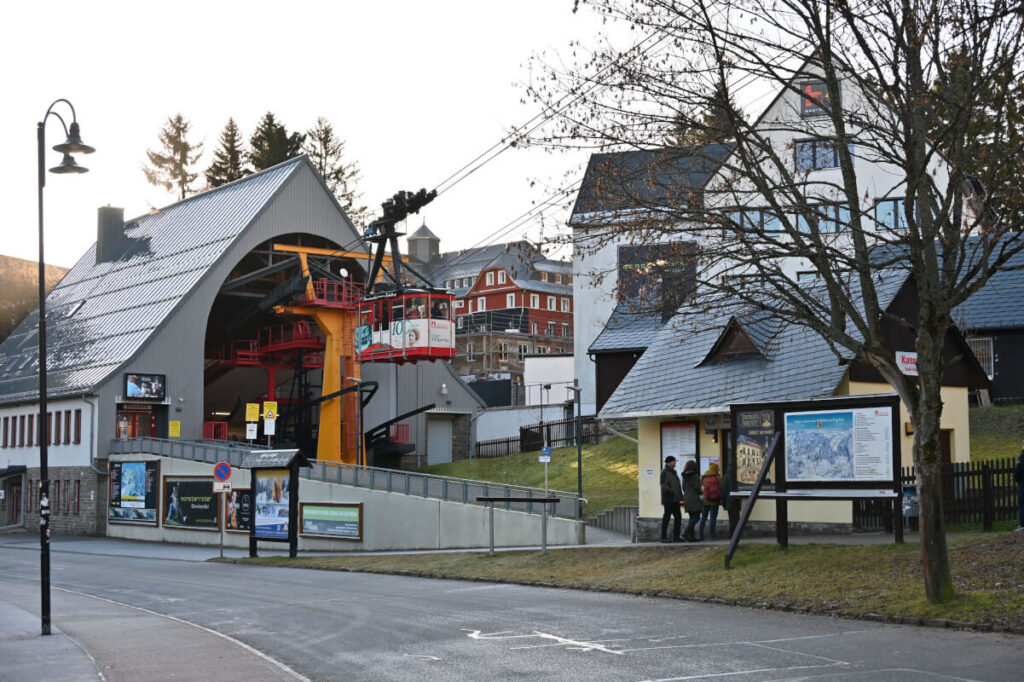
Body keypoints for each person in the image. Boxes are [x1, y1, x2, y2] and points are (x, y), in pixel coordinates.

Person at [660, 456, 683, 543]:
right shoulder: (665, 472)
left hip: (675, 499)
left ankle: (676, 537)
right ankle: (663, 537)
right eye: (674, 461)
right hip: (669, 499)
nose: (675, 463)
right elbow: (664, 486)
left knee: (678, 517)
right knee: (667, 517)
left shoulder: (673, 472)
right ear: (669, 462)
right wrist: (673, 492)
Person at [698, 461, 723, 540]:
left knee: (703, 518)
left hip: (706, 500)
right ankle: (712, 535)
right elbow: (721, 488)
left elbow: (700, 488)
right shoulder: (719, 477)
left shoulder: (703, 477)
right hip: (715, 501)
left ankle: (700, 535)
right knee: (713, 519)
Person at [681, 459, 703, 542]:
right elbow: (697, 487)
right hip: (694, 498)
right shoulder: (695, 475)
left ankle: (691, 537)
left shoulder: (683, 476)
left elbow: (683, 487)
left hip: (686, 497)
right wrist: (701, 493)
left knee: (692, 517)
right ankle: (686, 533)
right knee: (697, 517)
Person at [1015, 440, 1024, 531]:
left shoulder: (1022, 457)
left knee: (1022, 503)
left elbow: (1019, 471)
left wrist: (1017, 479)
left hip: (1023, 483)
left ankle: (1022, 524)